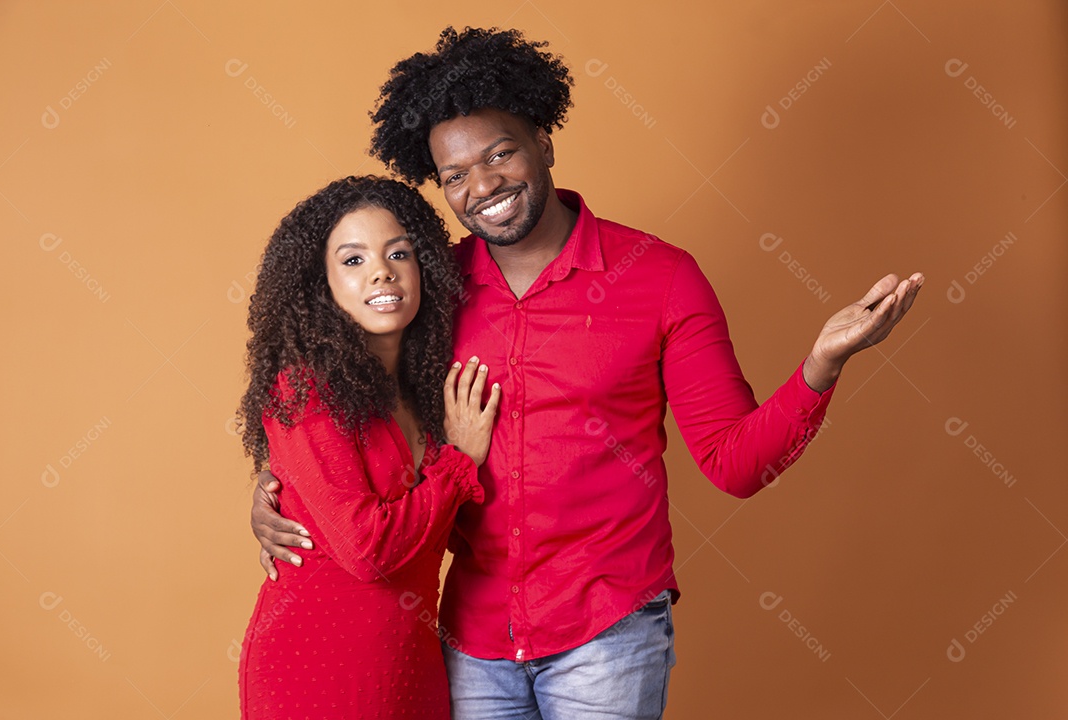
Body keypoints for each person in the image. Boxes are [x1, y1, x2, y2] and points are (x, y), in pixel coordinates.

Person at [251, 27, 923, 719]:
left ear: (543, 141)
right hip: (469, 640)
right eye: (455, 175)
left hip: (608, 636)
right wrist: (276, 491)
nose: (482, 187)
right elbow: (346, 393)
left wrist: (820, 367)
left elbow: (733, 463)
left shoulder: (660, 279)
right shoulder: (431, 286)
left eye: (500, 153)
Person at [236, 174, 500, 719]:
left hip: (412, 664)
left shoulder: (428, 391)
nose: (382, 270)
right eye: (353, 260)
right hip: (316, 668)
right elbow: (367, 550)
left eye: (398, 252)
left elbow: (437, 536)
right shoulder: (304, 390)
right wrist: (459, 464)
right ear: (320, 283)